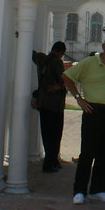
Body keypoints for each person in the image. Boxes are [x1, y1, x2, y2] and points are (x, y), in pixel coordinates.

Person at [62, 33, 105, 205]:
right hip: (93, 110)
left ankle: (98, 189)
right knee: (87, 152)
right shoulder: (89, 63)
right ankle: (80, 191)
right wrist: (78, 98)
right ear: (103, 46)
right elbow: (67, 77)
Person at [32, 41, 67, 173]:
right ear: (61, 52)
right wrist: (59, 86)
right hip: (55, 104)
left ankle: (52, 161)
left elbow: (33, 55)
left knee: (46, 134)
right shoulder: (57, 62)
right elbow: (63, 80)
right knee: (55, 134)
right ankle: (50, 162)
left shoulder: (42, 59)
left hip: (43, 102)